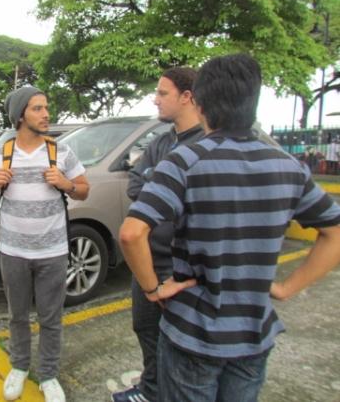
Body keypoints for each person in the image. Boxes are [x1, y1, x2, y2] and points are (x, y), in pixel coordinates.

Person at [119, 53, 340, 402]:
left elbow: (131, 233)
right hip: (254, 333)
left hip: (193, 334)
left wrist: (153, 290)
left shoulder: (185, 160)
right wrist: (285, 288)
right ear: (253, 102)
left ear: (201, 103)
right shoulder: (288, 167)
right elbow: (335, 232)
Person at [0, 86, 89, 402]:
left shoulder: (59, 152)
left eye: (46, 107)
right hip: (13, 251)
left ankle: (49, 375)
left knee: (51, 317)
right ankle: (19, 367)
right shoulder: (1, 153)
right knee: (17, 315)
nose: (46, 114)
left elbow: (83, 189)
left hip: (53, 251)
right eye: (38, 108)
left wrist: (65, 184)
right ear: (21, 114)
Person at [112, 67, 203, 402]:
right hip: (148, 259)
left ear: (187, 97)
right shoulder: (162, 141)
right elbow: (137, 183)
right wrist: (165, 190)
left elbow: (193, 201)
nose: (155, 99)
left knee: (179, 341)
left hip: (185, 268)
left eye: (163, 93)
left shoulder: (207, 142)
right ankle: (151, 389)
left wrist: (160, 186)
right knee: (146, 329)